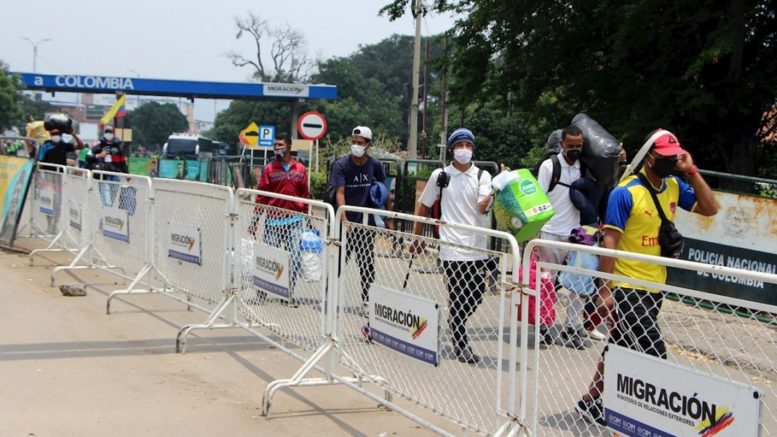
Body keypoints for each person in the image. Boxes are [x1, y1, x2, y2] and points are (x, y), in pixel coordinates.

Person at [576, 129, 718, 426]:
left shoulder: (674, 186)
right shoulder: (625, 193)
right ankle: (650, 419)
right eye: (666, 158)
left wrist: (691, 171)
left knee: (619, 345)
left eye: (674, 158)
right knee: (653, 353)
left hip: (654, 285)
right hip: (627, 287)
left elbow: (710, 208)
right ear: (649, 157)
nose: (671, 162)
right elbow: (610, 243)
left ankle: (590, 400)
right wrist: (605, 291)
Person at [411, 127, 493, 364]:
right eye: (460, 146)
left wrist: (494, 193)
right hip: (451, 247)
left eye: (468, 146)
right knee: (457, 294)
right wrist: (417, 239)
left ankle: (455, 321)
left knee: (476, 294)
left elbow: (481, 208)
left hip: (477, 247)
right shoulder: (440, 175)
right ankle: (461, 341)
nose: (464, 150)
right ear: (452, 149)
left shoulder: (482, 176)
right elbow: (424, 206)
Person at [536, 125, 592, 349]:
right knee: (546, 282)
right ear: (561, 145)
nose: (575, 150)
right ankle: (544, 326)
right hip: (550, 232)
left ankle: (572, 327)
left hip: (575, 233)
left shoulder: (584, 168)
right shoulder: (549, 167)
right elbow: (539, 201)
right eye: (571, 146)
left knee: (578, 284)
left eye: (579, 146)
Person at [329, 126, 394, 308]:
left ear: (368, 145)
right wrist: (344, 218)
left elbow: (385, 190)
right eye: (354, 142)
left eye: (360, 143)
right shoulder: (341, 165)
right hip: (346, 223)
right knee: (338, 261)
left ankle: (367, 300)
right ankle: (331, 294)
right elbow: (339, 193)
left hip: (366, 224)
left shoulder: (374, 165)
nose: (356, 145)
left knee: (366, 264)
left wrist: (389, 218)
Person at [252, 133, 310, 299]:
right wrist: (255, 219)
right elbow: (262, 196)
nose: (276, 147)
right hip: (273, 221)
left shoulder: (300, 169)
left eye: (279, 145)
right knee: (269, 258)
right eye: (275, 145)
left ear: (289, 147)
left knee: (294, 258)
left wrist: (308, 218)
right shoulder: (269, 169)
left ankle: (288, 294)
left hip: (295, 221)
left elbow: (304, 195)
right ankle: (262, 293)